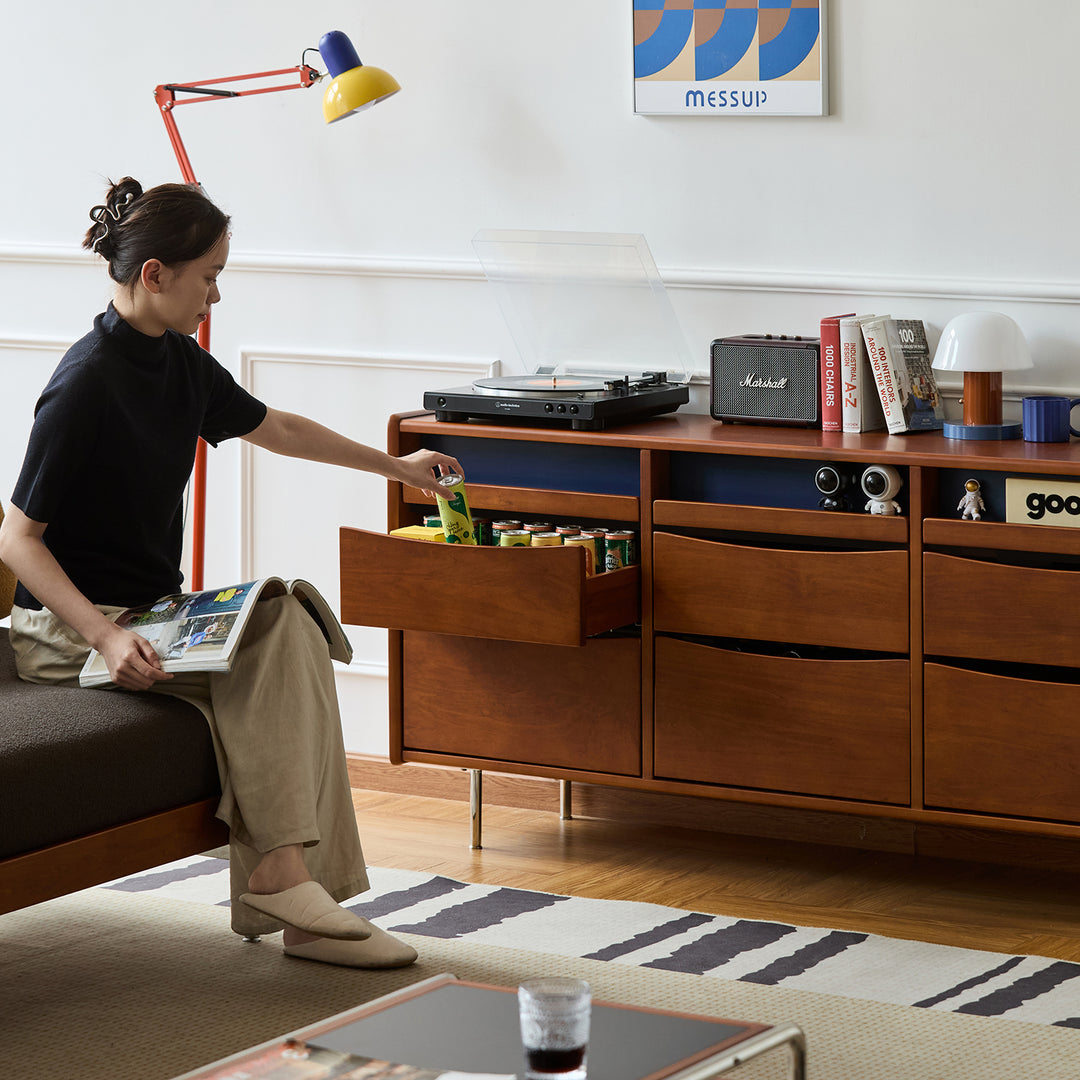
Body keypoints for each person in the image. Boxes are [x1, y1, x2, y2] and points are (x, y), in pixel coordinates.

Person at [0, 177, 464, 969]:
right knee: (277, 655)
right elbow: (17, 540)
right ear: (156, 275)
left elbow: (274, 425)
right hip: (67, 636)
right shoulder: (84, 385)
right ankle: (294, 898)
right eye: (209, 274)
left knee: (287, 617)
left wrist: (396, 466)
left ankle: (294, 893)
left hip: (153, 613)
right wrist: (107, 637)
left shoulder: (178, 362)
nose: (218, 291)